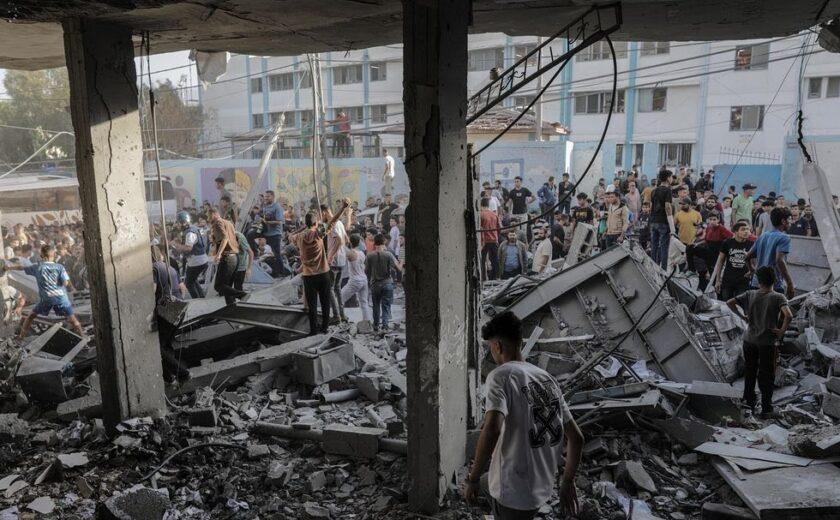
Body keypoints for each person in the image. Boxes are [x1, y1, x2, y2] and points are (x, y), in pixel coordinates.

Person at [463, 311, 584, 519]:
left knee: (480, 486)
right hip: (541, 490)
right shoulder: (547, 379)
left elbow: (492, 429)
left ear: (497, 346)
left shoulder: (500, 376)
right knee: (487, 484)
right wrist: (567, 481)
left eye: (491, 347)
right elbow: (577, 438)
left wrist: (472, 479)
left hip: (513, 494)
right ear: (520, 342)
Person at [726, 266, 792, 419]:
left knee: (750, 372)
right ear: (774, 280)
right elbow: (788, 316)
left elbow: (730, 302)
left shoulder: (750, 294)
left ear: (759, 281)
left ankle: (748, 403)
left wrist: (743, 317)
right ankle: (766, 409)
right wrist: (781, 331)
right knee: (766, 375)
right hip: (767, 343)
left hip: (749, 340)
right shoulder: (778, 297)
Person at [289, 199, 351, 335]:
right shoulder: (318, 234)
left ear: (306, 223)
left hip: (308, 275)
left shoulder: (299, 237)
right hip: (323, 273)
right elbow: (333, 221)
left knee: (311, 305)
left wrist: (305, 227)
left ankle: (313, 330)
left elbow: (290, 236)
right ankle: (324, 328)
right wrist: (343, 208)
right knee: (325, 302)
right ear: (316, 223)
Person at [7, 244, 84, 339]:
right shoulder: (60, 267)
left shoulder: (37, 267)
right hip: (61, 298)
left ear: (41, 255)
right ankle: (83, 337)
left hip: (46, 299)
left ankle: (21, 337)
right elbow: (66, 283)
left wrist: (9, 267)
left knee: (30, 316)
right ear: (54, 255)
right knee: (73, 320)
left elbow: (21, 267)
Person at [746, 207, 794, 298]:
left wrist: (752, 270)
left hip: (756, 283)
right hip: (773, 285)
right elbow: (779, 260)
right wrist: (790, 283)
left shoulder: (763, 236)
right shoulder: (784, 237)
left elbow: (747, 257)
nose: (791, 222)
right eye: (789, 219)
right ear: (783, 221)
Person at [209, 207, 247, 304]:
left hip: (227, 257)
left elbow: (225, 238)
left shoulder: (218, 223)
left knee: (218, 286)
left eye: (209, 216)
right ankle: (231, 306)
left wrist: (218, 254)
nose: (208, 218)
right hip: (235, 257)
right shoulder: (229, 223)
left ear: (214, 214)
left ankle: (242, 295)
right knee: (227, 287)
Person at [366, 233, 402, 332]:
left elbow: (367, 271)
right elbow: (399, 269)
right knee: (386, 306)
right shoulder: (388, 254)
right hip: (387, 283)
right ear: (384, 242)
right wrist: (402, 262)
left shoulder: (369, 255)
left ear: (374, 243)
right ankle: (385, 327)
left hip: (375, 284)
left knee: (376, 306)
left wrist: (369, 283)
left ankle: (376, 326)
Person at [322, 203, 351, 323]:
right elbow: (346, 239)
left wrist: (331, 256)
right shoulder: (339, 223)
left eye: (320, 214)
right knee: (337, 288)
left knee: (330, 288)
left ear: (324, 212)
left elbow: (340, 240)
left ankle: (336, 316)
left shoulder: (332, 224)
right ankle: (342, 314)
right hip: (341, 260)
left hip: (334, 261)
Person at [173, 211, 209, 299]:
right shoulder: (191, 229)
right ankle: (201, 298)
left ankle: (197, 300)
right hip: (198, 260)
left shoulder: (190, 232)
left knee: (189, 283)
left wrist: (176, 245)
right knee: (193, 280)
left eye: (179, 223)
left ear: (184, 222)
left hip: (196, 261)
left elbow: (188, 248)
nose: (178, 225)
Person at [714, 221, 753, 300]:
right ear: (736, 232)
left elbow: (755, 262)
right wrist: (718, 280)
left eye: (747, 229)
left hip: (743, 281)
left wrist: (751, 271)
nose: (746, 231)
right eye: (743, 229)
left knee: (741, 303)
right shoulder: (727, 243)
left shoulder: (751, 244)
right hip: (728, 279)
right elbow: (720, 261)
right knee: (726, 302)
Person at [341, 234, 372, 324]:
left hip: (355, 280)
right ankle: (367, 322)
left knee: (339, 300)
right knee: (364, 303)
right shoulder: (361, 253)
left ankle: (340, 319)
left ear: (350, 243)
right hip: (363, 279)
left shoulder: (351, 253)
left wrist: (343, 242)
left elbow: (343, 252)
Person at [649, 170, 674, 270]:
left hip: (653, 221)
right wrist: (672, 225)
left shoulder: (654, 191)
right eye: (671, 177)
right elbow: (668, 206)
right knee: (664, 247)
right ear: (668, 178)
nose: (672, 179)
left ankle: (652, 269)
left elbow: (651, 207)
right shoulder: (667, 190)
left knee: (654, 246)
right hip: (663, 222)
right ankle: (663, 270)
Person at [674, 197, 702, 271]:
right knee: (681, 259)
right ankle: (680, 272)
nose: (682, 205)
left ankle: (691, 271)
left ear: (689, 204)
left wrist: (698, 226)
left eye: (684, 204)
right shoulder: (678, 214)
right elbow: (674, 226)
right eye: (681, 204)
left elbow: (701, 227)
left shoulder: (697, 214)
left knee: (691, 259)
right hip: (681, 241)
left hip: (693, 241)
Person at [261, 190, 285, 274]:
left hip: (275, 234)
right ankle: (274, 271)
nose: (266, 198)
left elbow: (279, 221)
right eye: (265, 196)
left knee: (276, 254)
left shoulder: (277, 207)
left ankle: (281, 272)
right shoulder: (265, 207)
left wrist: (267, 222)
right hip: (266, 233)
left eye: (268, 196)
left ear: (273, 197)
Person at [480, 198, 501, 280]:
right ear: (488, 205)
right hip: (494, 240)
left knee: (482, 260)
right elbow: (499, 228)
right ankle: (497, 277)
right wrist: (496, 238)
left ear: (481, 205)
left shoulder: (481, 214)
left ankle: (483, 278)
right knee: (495, 260)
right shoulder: (494, 215)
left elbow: (480, 229)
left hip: (485, 241)